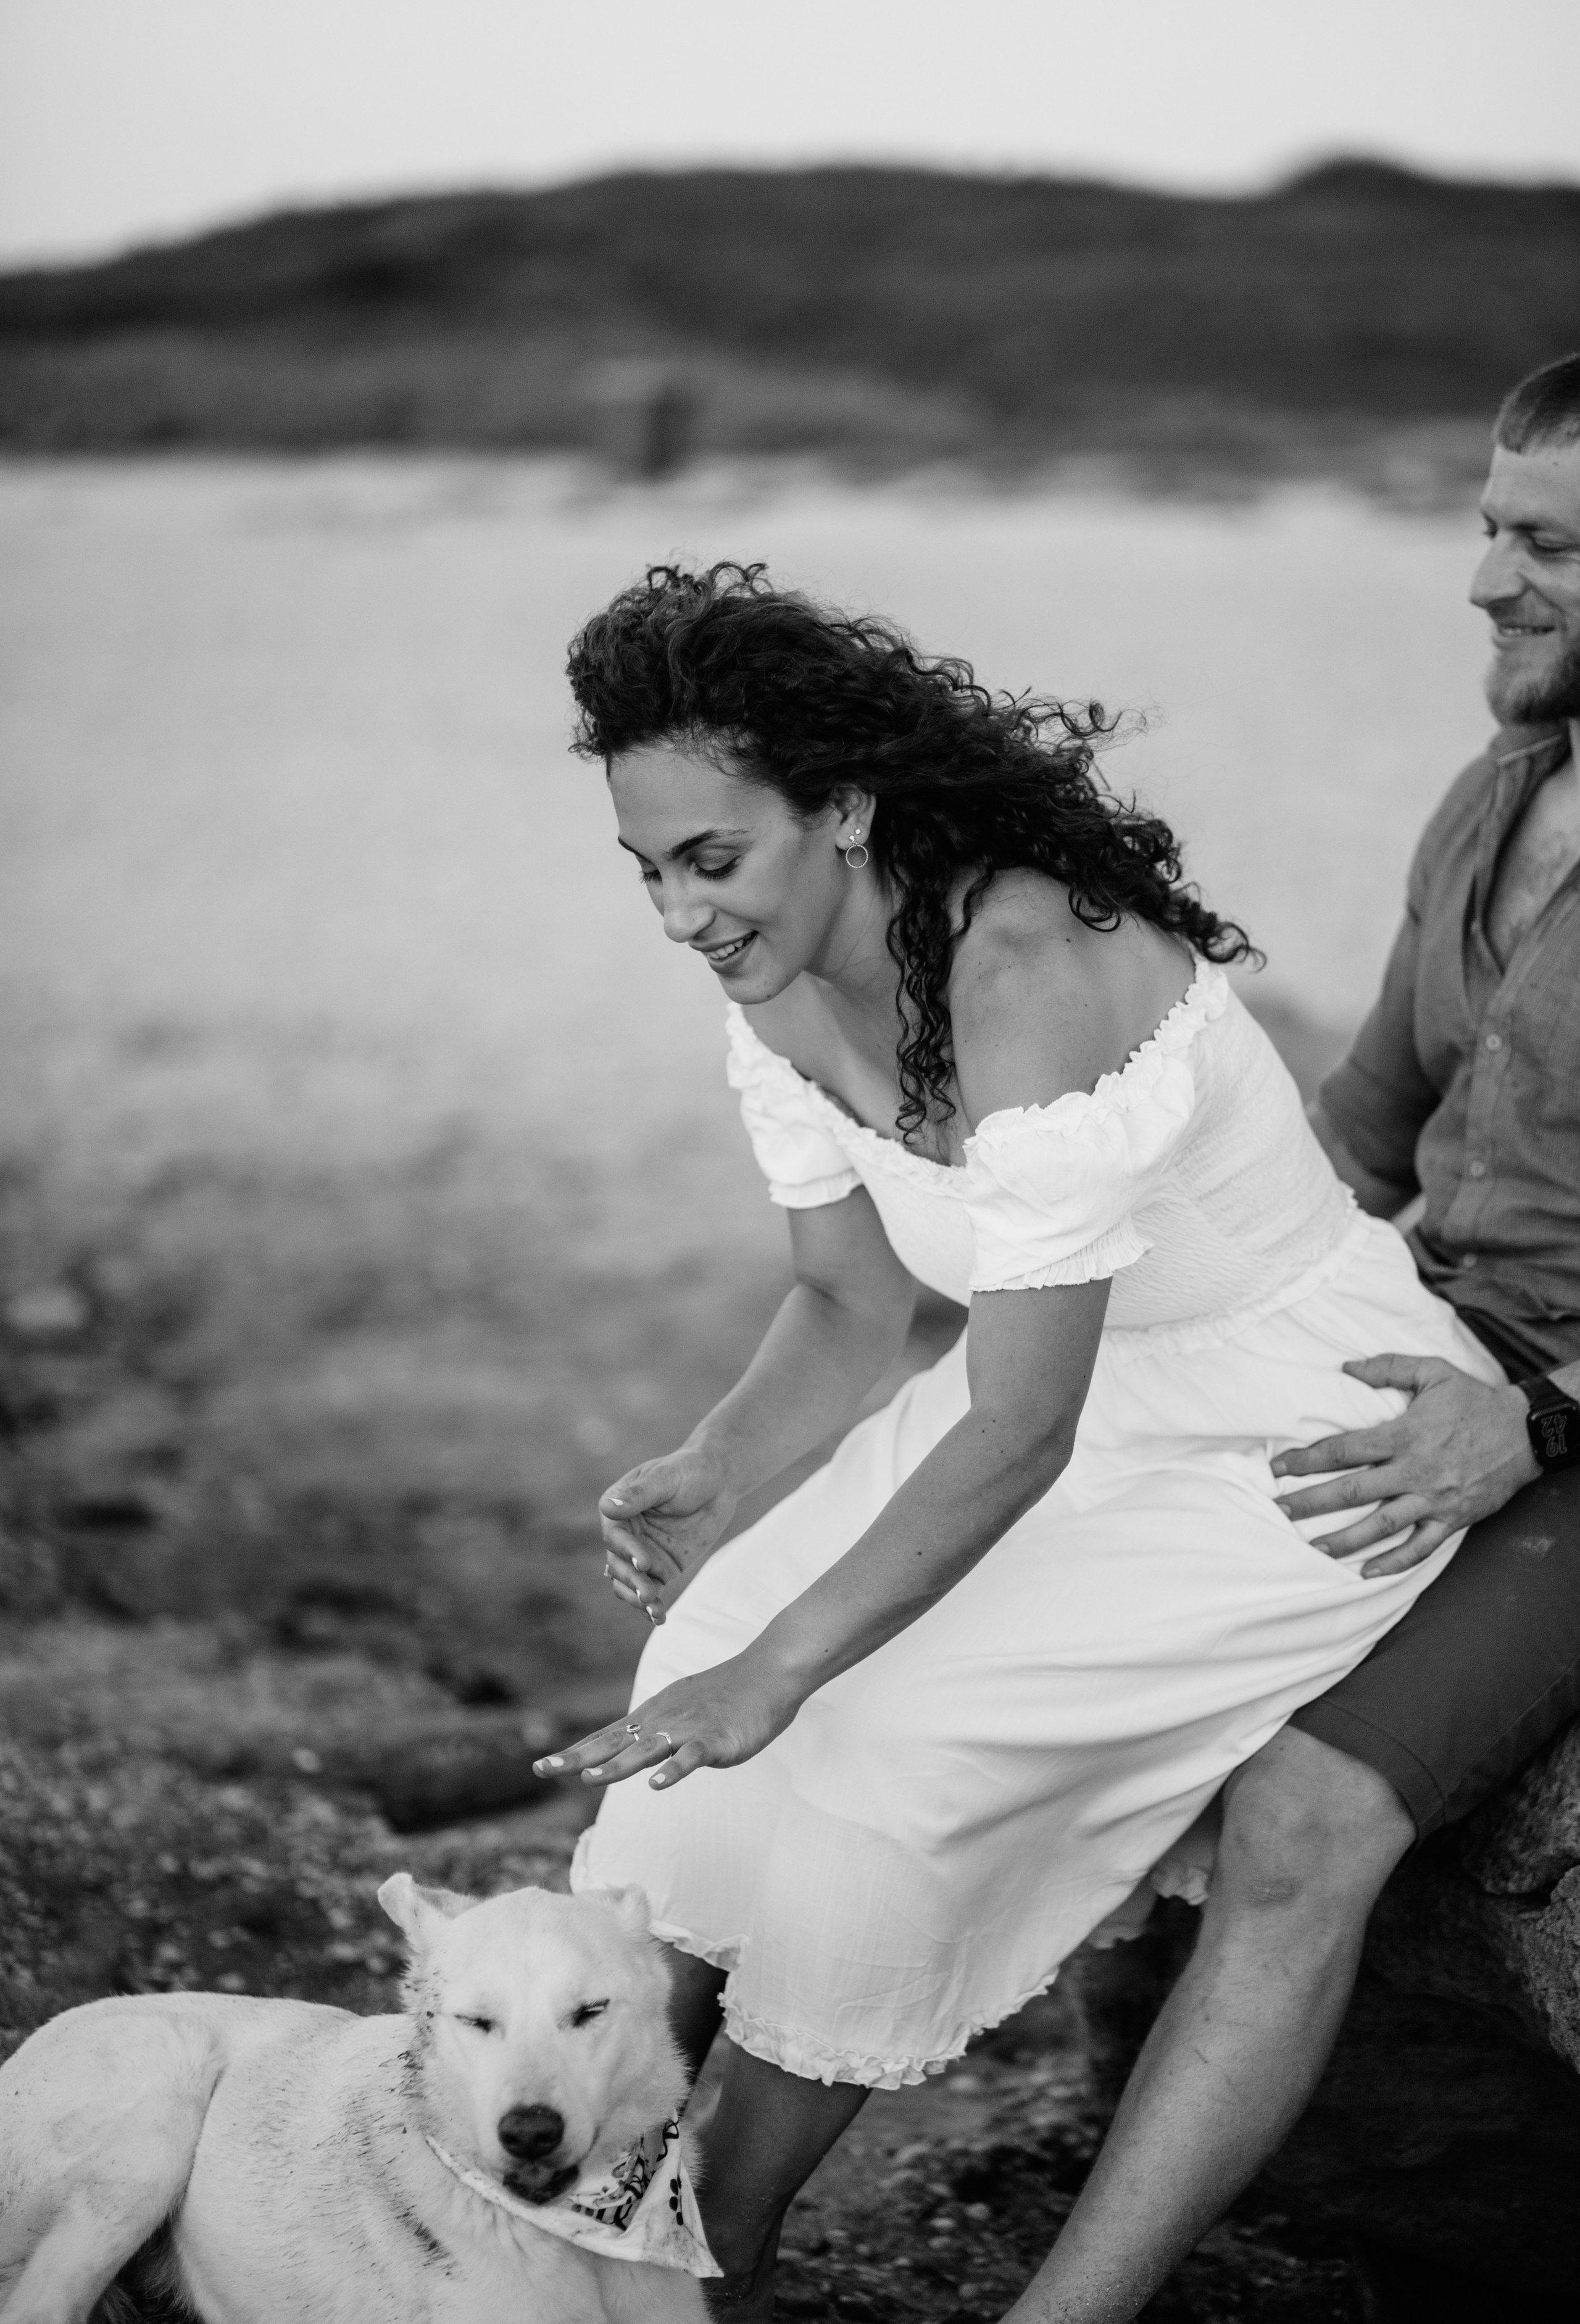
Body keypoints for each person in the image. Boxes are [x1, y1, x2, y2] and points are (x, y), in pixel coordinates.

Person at [533, 556, 1501, 2322]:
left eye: (711, 858)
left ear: (842, 803)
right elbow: (847, 1303)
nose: (679, 914)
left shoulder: (1028, 963)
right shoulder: (770, 963)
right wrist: (722, 1469)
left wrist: (789, 1667)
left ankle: (700, 2271)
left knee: (880, 1770)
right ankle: (578, 2231)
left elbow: (1023, 1425)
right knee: (703, 1669)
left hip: (1280, 1433)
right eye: (648, 868)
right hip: (1052, 1398)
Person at [985, 348, 1580, 2324]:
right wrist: (1133, 1305)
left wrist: (1546, 1421)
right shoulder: (1496, 798)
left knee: (1307, 1812)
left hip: (1553, 1438)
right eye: (1490, 527)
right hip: (1408, 1332)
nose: (1486, 585)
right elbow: (1359, 1133)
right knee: (969, 1562)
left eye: (1549, 545)